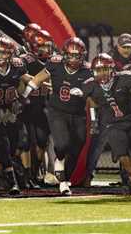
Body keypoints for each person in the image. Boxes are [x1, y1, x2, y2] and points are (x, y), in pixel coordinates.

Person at [78, 53, 131, 201]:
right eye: (98, 71)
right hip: (112, 125)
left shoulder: (124, 79)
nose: (101, 74)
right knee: (124, 159)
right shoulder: (90, 85)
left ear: (112, 69)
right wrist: (92, 116)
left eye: (104, 69)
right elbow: (91, 103)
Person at [22, 37, 91, 195]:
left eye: (77, 55)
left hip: (78, 113)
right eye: (71, 55)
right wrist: (26, 93)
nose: (74, 59)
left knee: (78, 146)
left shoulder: (88, 70)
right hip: (57, 110)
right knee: (62, 144)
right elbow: (39, 78)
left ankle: (65, 180)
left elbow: (95, 94)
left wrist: (84, 92)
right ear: (64, 55)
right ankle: (59, 161)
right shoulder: (55, 64)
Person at [0, 37, 28, 194]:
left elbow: (24, 84)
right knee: (1, 145)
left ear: (11, 54)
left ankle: (8, 175)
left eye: (4, 53)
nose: (0, 56)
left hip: (11, 112)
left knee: (16, 145)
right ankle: (11, 181)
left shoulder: (17, 67)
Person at [19, 28, 54, 187]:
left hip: (42, 105)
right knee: (24, 141)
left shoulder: (54, 61)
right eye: (42, 47)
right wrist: (41, 82)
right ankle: (24, 175)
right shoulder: (24, 60)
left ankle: (34, 173)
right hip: (25, 105)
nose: (46, 50)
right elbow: (21, 78)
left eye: (48, 46)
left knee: (42, 141)